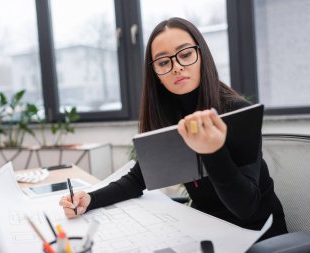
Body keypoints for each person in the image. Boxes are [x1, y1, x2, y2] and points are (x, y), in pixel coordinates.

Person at [59, 17, 288, 240]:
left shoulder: (234, 111)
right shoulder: (171, 117)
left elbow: (246, 208)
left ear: (202, 56)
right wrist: (90, 199)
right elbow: (139, 178)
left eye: (186, 54)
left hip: (257, 234)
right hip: (206, 231)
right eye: (163, 62)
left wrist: (213, 150)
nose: (176, 67)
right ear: (156, 74)